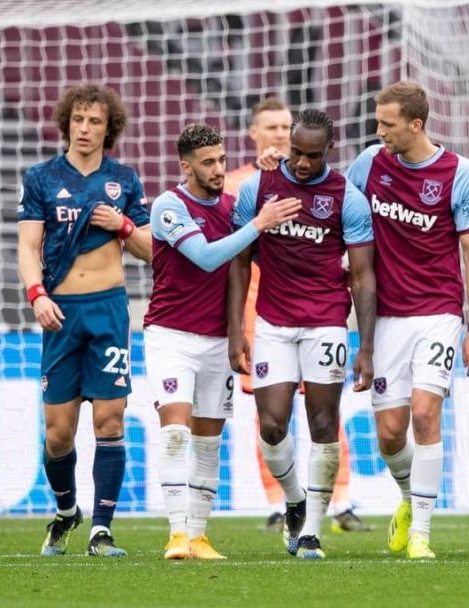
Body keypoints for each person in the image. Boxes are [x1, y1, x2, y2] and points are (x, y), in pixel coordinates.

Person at [345, 80, 469, 559]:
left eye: (387, 124)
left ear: (416, 124)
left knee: (426, 414)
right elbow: (333, 203)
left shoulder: (456, 172)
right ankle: (409, 498)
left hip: (439, 313)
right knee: (389, 434)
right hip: (385, 318)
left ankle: (422, 533)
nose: (379, 131)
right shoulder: (369, 164)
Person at [145, 124, 301, 560]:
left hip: (216, 341)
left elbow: (240, 269)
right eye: (208, 162)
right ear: (186, 166)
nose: (218, 169)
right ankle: (176, 534)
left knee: (208, 443)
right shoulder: (169, 206)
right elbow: (209, 257)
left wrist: (237, 332)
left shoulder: (233, 207)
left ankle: (198, 535)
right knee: (176, 434)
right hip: (171, 336)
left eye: (221, 160)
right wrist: (258, 223)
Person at [229, 109, 376, 559]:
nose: (304, 163)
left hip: (326, 321)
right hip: (272, 321)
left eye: (313, 155)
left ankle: (311, 528)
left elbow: (364, 276)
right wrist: (235, 330)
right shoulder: (259, 187)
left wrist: (365, 346)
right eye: (297, 153)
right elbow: (238, 258)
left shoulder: (346, 197)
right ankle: (293, 499)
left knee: (324, 424)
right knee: (272, 426)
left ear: (328, 150)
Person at [17, 83, 152, 557]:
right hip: (60, 313)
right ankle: (66, 510)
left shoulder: (124, 180)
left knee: (110, 422)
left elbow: (153, 251)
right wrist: (36, 295)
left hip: (109, 310)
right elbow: (28, 247)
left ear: (108, 128)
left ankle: (101, 529)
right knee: (57, 434)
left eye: (95, 121)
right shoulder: (41, 177)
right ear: (66, 123)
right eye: (78, 120)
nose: (85, 128)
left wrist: (124, 225)